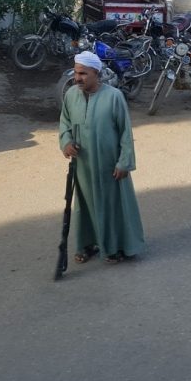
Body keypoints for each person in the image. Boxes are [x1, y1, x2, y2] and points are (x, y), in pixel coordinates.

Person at [59, 51, 146, 264]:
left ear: (96, 73)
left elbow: (126, 132)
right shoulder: (71, 95)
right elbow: (65, 123)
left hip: (110, 165)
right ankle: (88, 245)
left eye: (83, 73)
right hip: (84, 165)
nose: (77, 78)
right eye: (76, 73)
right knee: (85, 206)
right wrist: (66, 143)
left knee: (113, 206)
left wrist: (124, 162)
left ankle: (117, 247)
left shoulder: (114, 96)